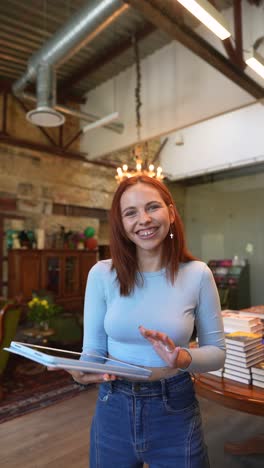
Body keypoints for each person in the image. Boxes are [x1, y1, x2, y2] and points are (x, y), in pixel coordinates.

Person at [69, 175, 226, 468]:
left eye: (152, 207)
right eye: (131, 212)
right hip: (112, 406)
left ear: (170, 211)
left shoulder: (198, 274)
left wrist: (181, 357)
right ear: (121, 223)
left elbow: (217, 353)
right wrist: (81, 370)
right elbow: (92, 350)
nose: (143, 219)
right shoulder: (102, 274)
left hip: (174, 408)